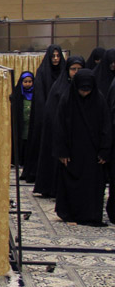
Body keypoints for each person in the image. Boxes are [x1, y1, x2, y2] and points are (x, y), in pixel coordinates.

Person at [54, 69, 110, 226]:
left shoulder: (99, 101)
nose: (85, 93)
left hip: (93, 154)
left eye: (88, 90)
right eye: (82, 89)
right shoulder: (67, 100)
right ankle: (70, 213)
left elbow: (106, 128)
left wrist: (105, 151)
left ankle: (90, 215)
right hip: (72, 152)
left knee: (92, 186)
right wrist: (62, 151)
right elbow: (59, 127)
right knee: (70, 185)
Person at [33, 57, 85, 196]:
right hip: (62, 136)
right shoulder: (59, 88)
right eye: (73, 69)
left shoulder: (88, 89)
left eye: (79, 69)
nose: (76, 72)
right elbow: (52, 115)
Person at [22, 45, 66, 183]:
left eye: (58, 56)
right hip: (46, 115)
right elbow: (40, 97)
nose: (56, 59)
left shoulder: (64, 71)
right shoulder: (42, 72)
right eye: (53, 56)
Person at [11, 71, 34, 168]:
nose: (28, 84)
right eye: (25, 81)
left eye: (30, 81)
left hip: (31, 125)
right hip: (21, 124)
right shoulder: (17, 94)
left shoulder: (36, 94)